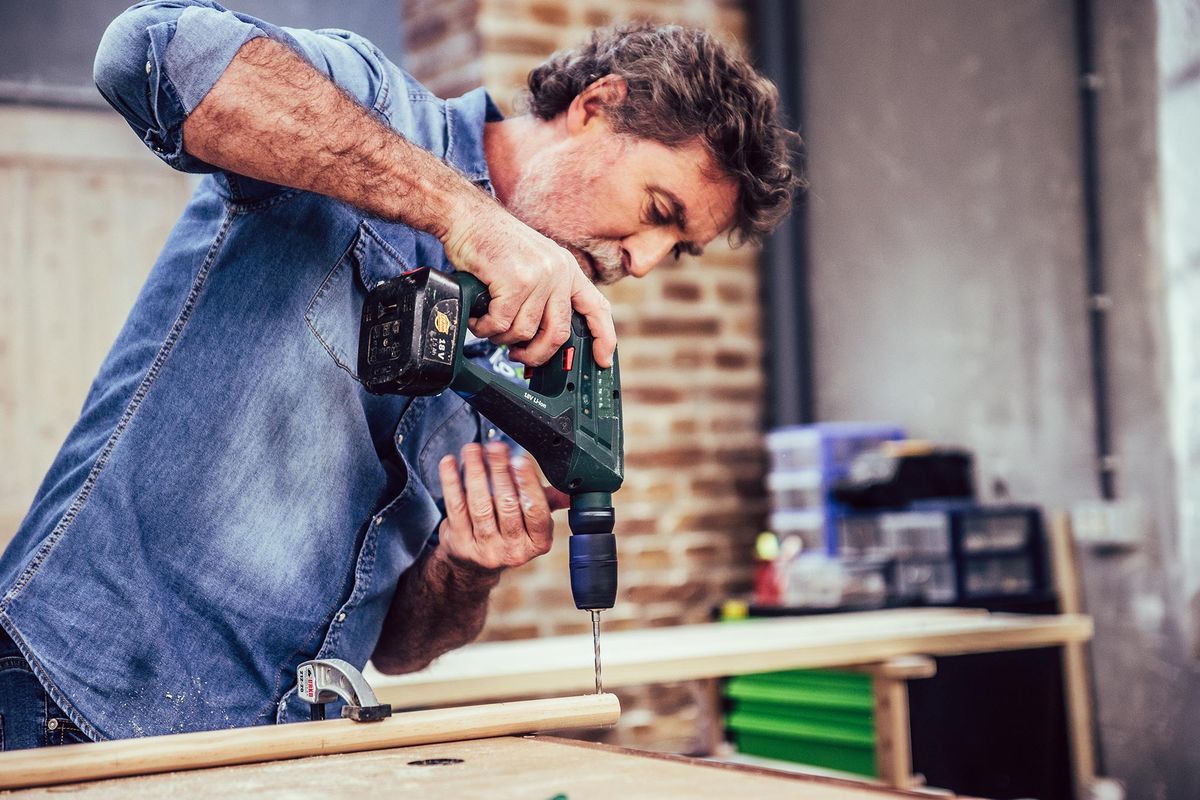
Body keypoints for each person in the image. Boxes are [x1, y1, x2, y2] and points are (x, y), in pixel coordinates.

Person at [0, 0, 799, 750]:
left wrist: (466, 567)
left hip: (277, 753)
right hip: (69, 701)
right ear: (597, 106)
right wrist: (466, 216)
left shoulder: (522, 358)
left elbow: (399, 646)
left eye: (679, 247)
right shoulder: (378, 107)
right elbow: (144, 54)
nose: (646, 260)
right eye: (661, 210)